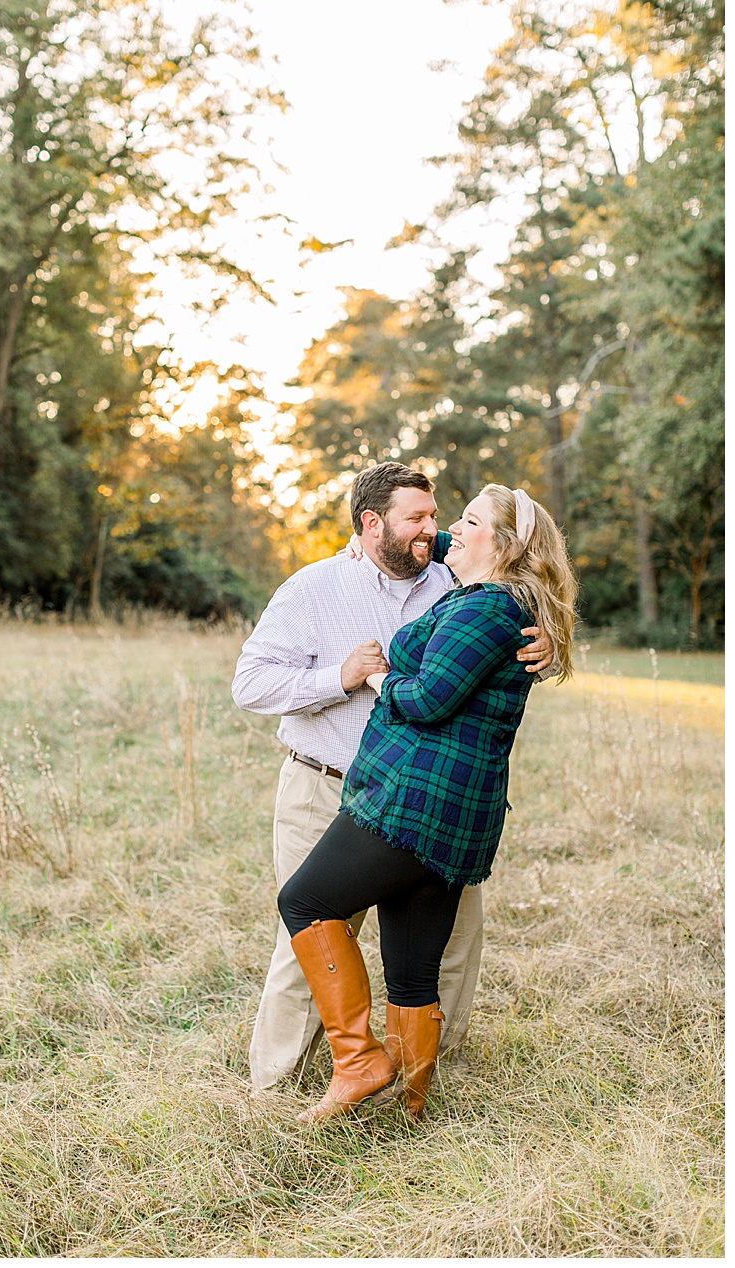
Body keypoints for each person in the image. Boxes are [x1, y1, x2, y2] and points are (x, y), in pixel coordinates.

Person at [232, 462, 551, 1098]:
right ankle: (279, 1085)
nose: (432, 530)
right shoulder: (312, 588)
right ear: (372, 523)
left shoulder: (453, 580)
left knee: (452, 942)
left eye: (438, 518)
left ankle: (425, 1078)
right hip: (325, 786)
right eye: (418, 519)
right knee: (312, 933)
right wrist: (339, 677)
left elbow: (507, 607)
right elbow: (249, 684)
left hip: (422, 798)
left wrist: (543, 647)